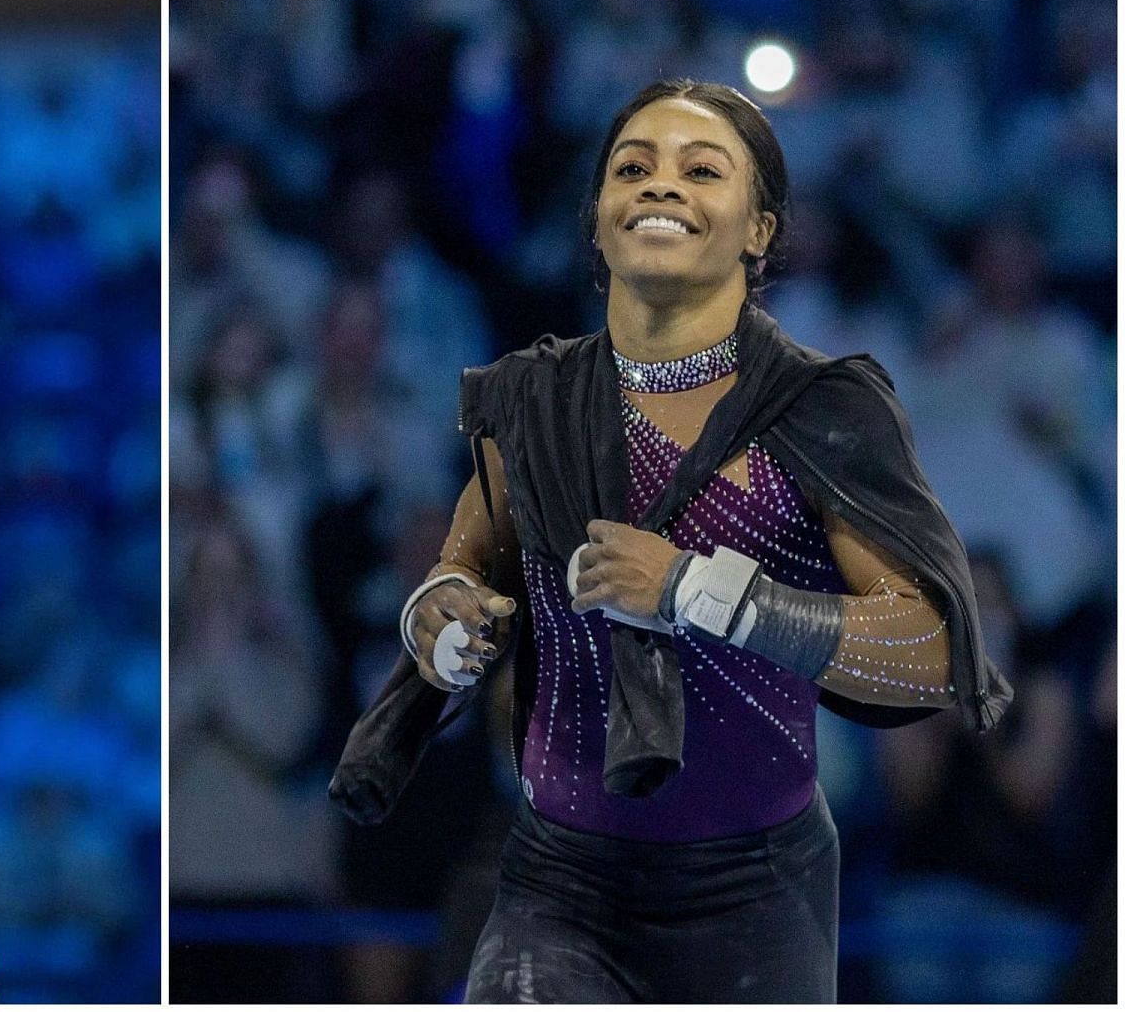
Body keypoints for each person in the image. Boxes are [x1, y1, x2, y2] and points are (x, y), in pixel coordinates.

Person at [330, 78, 1013, 1003]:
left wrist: (708, 594)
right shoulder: (528, 401)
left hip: (757, 895)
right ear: (599, 219)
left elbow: (932, 649)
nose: (661, 185)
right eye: (633, 167)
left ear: (761, 227)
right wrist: (441, 618)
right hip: (556, 877)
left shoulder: (821, 409)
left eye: (701, 170)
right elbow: (465, 567)